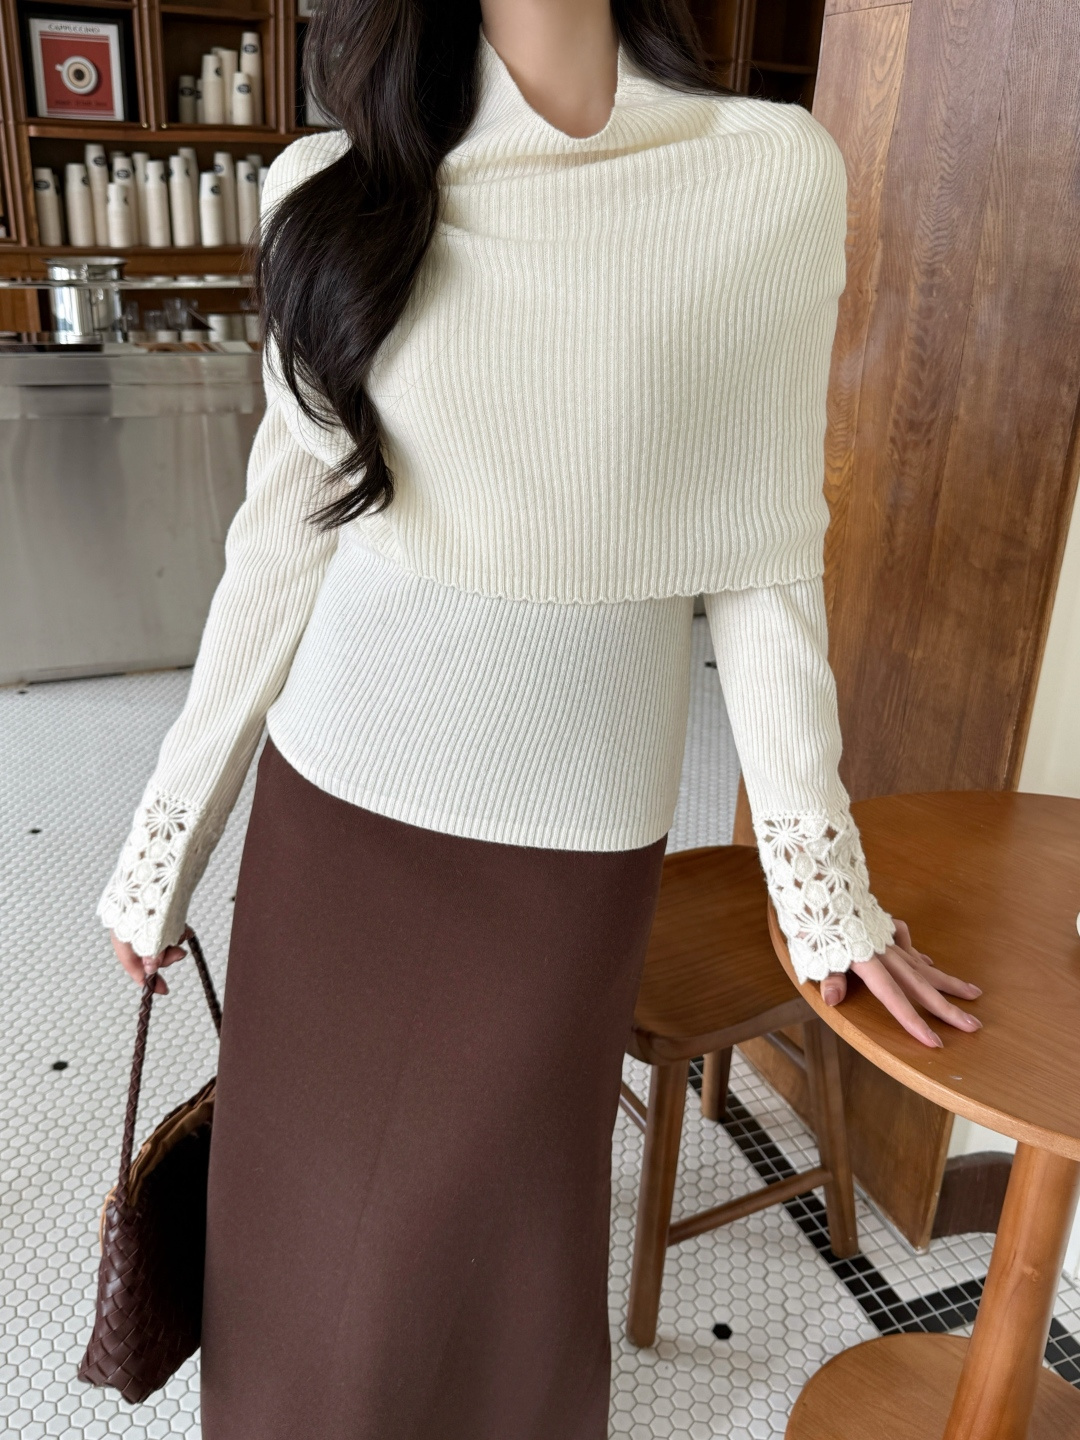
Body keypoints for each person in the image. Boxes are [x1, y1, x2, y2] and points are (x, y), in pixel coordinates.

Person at [98, 1, 982, 1434]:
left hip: (565, 854)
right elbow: (282, 538)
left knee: (493, 1268)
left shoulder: (761, 171)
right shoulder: (333, 185)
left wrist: (820, 886)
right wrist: (168, 837)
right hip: (336, 818)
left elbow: (765, 556)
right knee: (298, 1257)